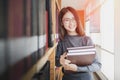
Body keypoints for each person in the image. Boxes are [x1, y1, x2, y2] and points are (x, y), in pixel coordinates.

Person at [55, 6, 102, 80]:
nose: (71, 23)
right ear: (61, 23)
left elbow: (97, 65)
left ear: (77, 20)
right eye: (67, 20)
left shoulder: (87, 40)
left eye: (73, 19)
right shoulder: (61, 41)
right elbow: (56, 62)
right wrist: (60, 61)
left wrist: (77, 68)